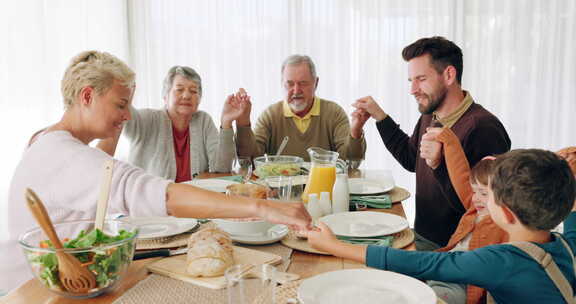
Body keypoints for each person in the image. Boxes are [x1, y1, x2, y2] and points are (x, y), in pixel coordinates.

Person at [0, 51, 311, 292]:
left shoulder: (48, 140)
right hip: (37, 288)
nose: (125, 116)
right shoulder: (62, 154)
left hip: (66, 280)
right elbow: (154, 192)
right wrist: (262, 207)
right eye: (121, 105)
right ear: (86, 96)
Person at [307, 149, 576, 303]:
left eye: (488, 194)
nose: (479, 199)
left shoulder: (500, 261)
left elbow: (424, 264)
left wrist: (334, 246)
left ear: (506, 213)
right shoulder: (568, 244)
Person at [352, 36, 511, 250]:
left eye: (421, 79)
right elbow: (411, 159)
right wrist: (380, 118)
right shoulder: (432, 116)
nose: (413, 89)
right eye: (411, 81)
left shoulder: (484, 128)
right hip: (423, 235)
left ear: (448, 75)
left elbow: (481, 208)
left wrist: (438, 164)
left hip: (455, 248)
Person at [97, 66, 243, 182]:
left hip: (194, 205)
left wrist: (226, 122)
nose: (186, 95)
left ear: (199, 99)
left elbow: (222, 168)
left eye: (193, 91)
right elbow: (124, 117)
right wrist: (125, 95)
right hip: (153, 208)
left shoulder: (203, 121)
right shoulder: (148, 119)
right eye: (179, 90)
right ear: (165, 96)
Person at [424, 127, 508, 304]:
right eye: (474, 190)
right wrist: (449, 139)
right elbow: (460, 173)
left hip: (463, 285)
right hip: (442, 268)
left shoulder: (504, 223)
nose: (476, 198)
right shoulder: (474, 207)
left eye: (484, 193)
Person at [234, 54, 367, 161]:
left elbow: (350, 160)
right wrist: (243, 121)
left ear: (316, 83)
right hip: (282, 189)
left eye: (303, 83)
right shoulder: (270, 115)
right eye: (290, 84)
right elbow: (250, 158)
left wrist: (356, 131)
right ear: (282, 83)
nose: (296, 90)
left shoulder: (334, 113)